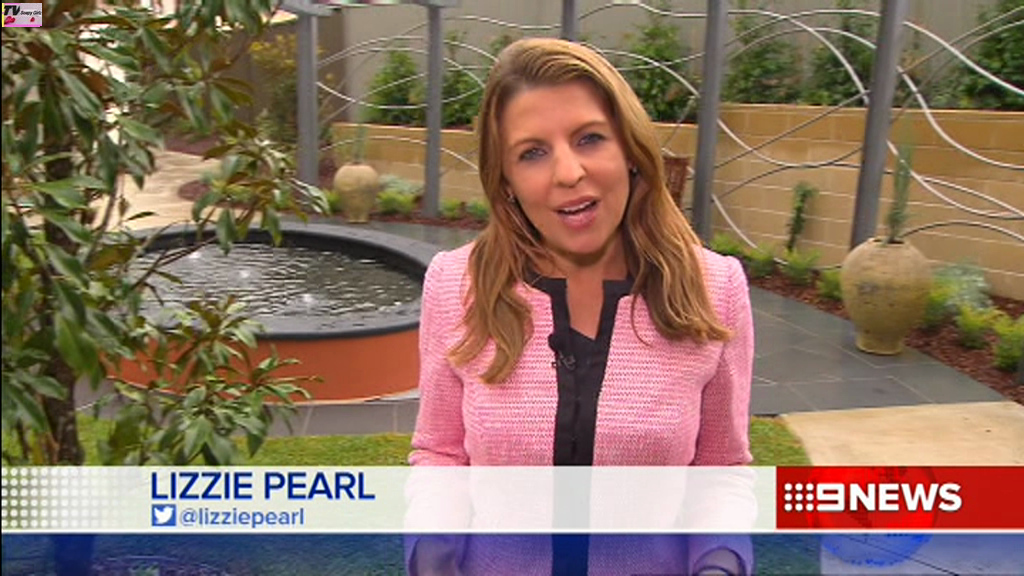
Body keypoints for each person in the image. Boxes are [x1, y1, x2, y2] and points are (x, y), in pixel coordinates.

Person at [407, 37, 754, 576]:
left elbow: (721, 466)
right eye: (532, 152)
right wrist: (430, 548)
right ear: (506, 180)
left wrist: (721, 559)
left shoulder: (716, 288)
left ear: (630, 151)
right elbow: (441, 453)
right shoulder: (456, 284)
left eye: (589, 138)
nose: (568, 172)